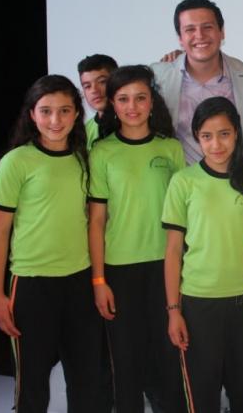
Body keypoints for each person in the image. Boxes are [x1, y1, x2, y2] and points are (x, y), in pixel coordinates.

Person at [0, 75, 104, 413]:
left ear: (76, 114)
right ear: (32, 114)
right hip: (32, 285)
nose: (56, 120)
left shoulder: (83, 160)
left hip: (79, 283)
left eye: (65, 110)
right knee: (33, 384)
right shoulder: (16, 162)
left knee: (87, 381)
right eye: (46, 111)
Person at [163, 96, 243, 413]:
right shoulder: (183, 182)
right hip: (198, 304)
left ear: (236, 133)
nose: (216, 144)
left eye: (224, 134)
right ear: (196, 138)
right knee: (202, 397)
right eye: (207, 136)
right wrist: (173, 311)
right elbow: (173, 251)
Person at [87, 65, 186, 413]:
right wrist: (99, 280)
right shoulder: (102, 152)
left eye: (140, 98)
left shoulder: (171, 149)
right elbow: (96, 222)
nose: (133, 107)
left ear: (152, 101)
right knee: (126, 363)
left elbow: (183, 219)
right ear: (113, 104)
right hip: (119, 270)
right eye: (124, 99)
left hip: (165, 267)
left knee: (168, 357)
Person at [151, 0, 243, 169]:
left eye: (207, 27)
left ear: (222, 32)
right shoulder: (160, 76)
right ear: (180, 38)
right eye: (190, 29)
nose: (200, 35)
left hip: (235, 180)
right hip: (182, 182)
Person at [77, 53, 118, 148]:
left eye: (102, 82)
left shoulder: (133, 121)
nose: (94, 90)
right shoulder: (85, 132)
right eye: (87, 86)